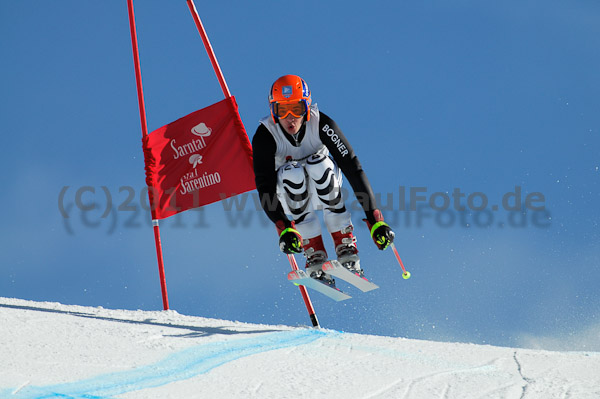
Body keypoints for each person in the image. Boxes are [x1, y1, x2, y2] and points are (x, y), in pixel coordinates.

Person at [252, 74, 395, 286]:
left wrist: (374, 219)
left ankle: (345, 244)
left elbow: (352, 167)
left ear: (307, 108)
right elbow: (264, 185)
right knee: (292, 172)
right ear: (273, 112)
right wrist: (284, 226)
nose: (290, 118)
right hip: (290, 194)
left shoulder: (322, 124)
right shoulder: (265, 136)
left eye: (297, 109)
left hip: (326, 186)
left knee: (319, 162)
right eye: (283, 110)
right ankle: (314, 250)